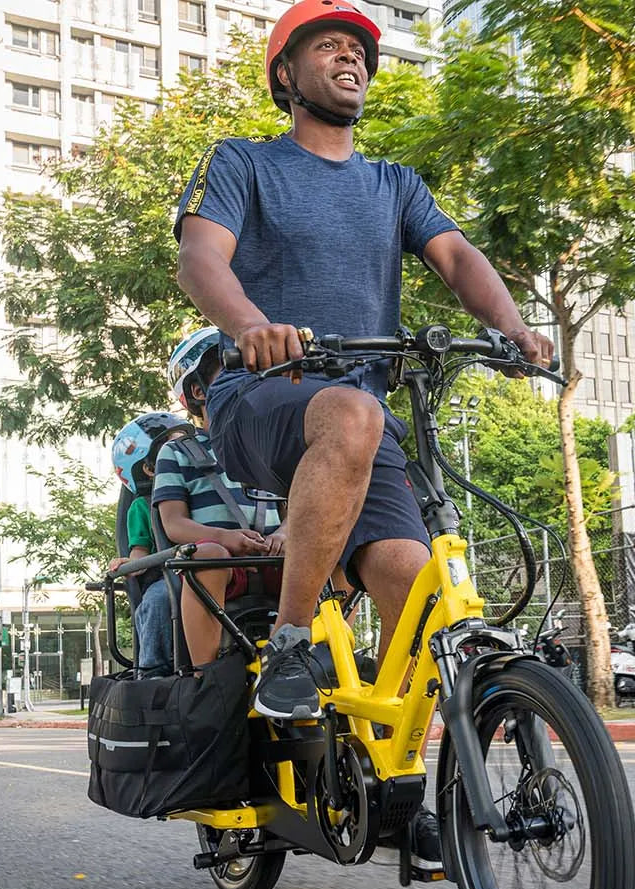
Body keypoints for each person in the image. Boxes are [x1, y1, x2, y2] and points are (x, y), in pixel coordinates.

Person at [174, 0, 554, 724]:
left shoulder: (395, 185)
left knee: (418, 590)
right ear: (285, 73)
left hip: (363, 426)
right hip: (262, 397)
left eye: (358, 49)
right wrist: (251, 325)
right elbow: (199, 258)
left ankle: (400, 781)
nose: (349, 57)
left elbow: (457, 257)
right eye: (327, 47)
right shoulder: (243, 162)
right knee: (352, 411)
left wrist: (513, 330)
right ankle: (290, 642)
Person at [155, 329, 287, 666]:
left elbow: (298, 507)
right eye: (231, 370)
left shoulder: (270, 445)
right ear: (199, 391)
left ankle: (325, 661)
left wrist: (285, 534)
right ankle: (207, 676)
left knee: (335, 549)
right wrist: (226, 538)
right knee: (208, 556)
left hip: (278, 560)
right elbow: (174, 523)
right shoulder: (177, 452)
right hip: (222, 562)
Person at [108, 411, 200, 675]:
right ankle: (152, 671)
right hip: (170, 576)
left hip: (212, 567)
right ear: (148, 469)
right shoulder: (142, 507)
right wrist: (129, 564)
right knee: (158, 600)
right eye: (172, 448)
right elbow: (140, 552)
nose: (184, 452)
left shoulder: (203, 490)